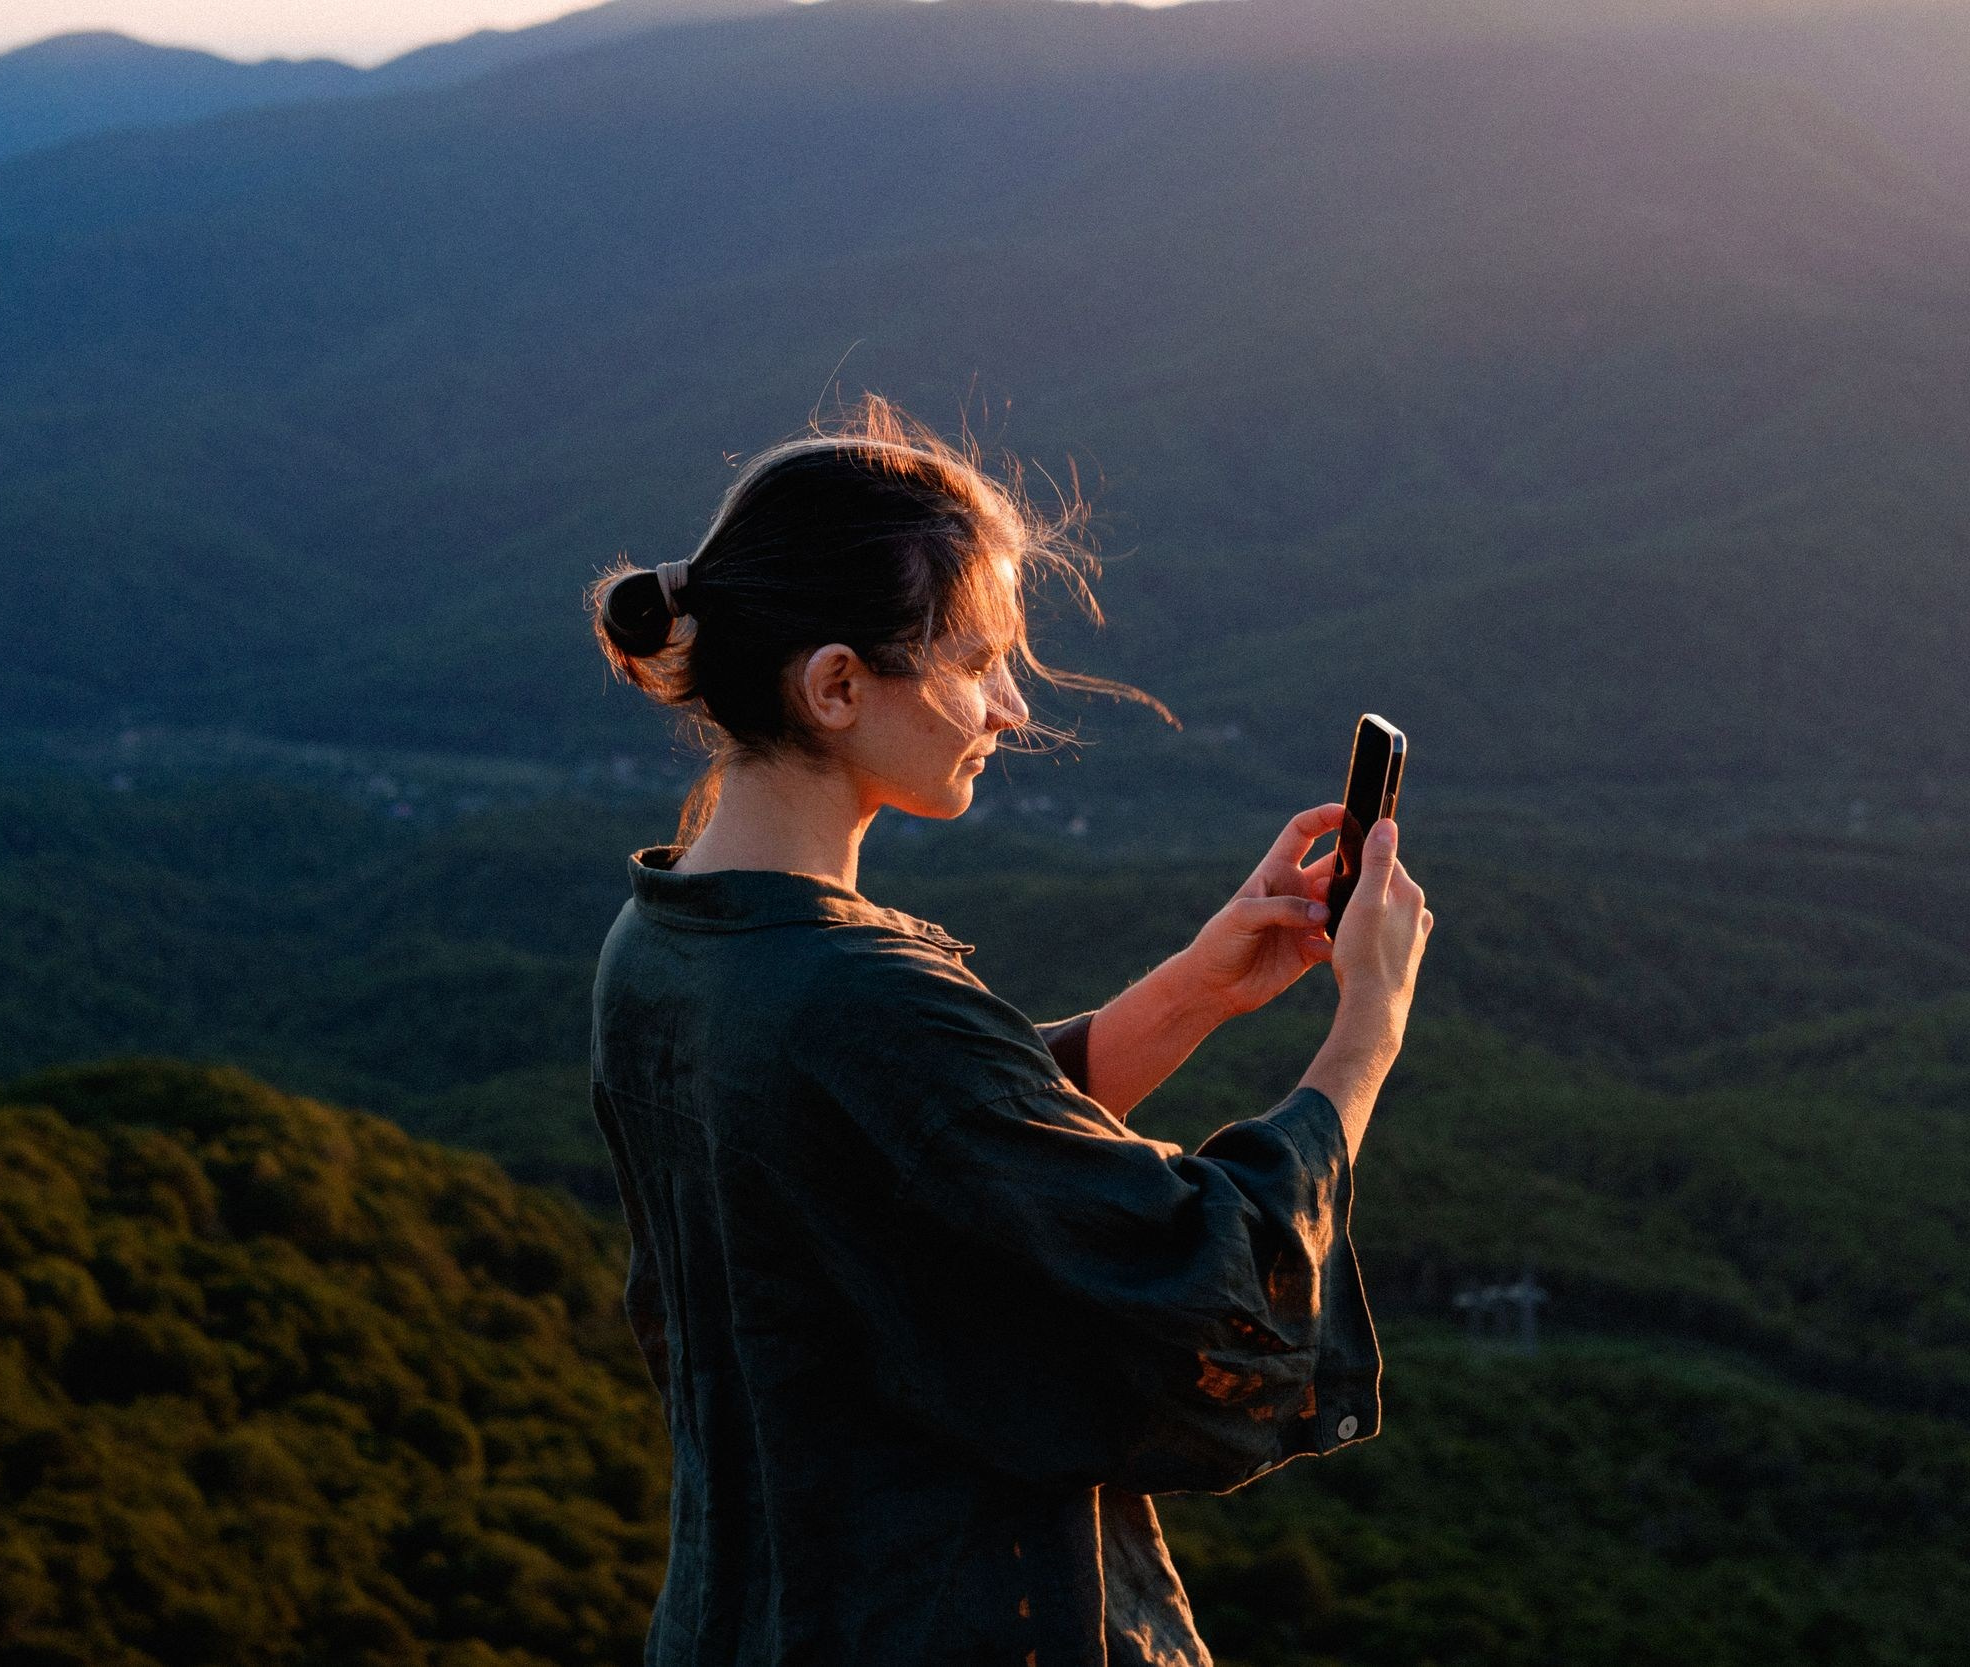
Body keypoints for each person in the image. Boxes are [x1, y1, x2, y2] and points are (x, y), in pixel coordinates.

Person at [585, 396, 1434, 1667]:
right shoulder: (856, 992)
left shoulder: (663, 937)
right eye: (977, 662)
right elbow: (1193, 1284)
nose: (1008, 708)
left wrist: (1193, 988)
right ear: (835, 684)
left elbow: (933, 1143)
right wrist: (1365, 1030)